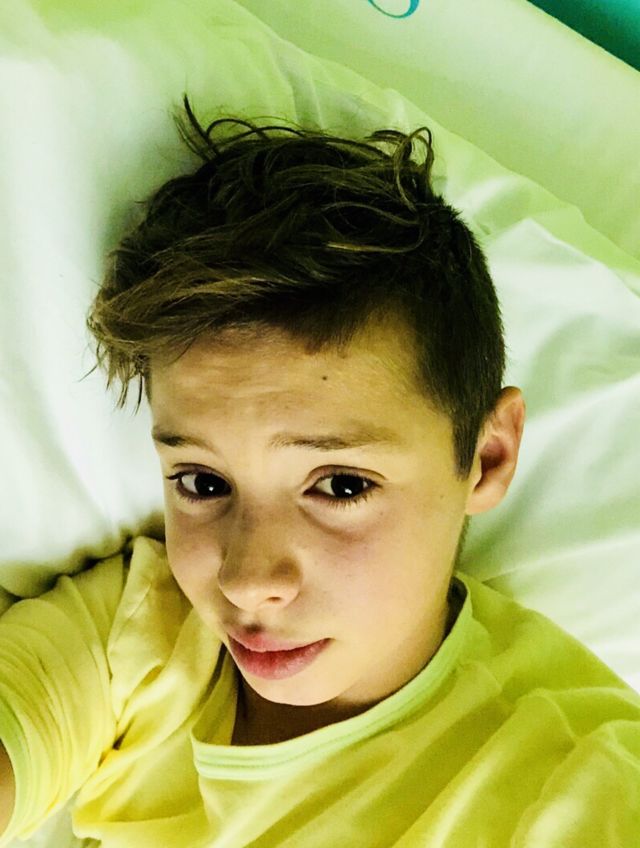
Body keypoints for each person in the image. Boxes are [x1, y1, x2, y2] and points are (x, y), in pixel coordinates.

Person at [0, 95, 638, 847]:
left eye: (340, 485)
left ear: (486, 456)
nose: (247, 580)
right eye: (203, 483)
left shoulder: (580, 786)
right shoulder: (147, 634)